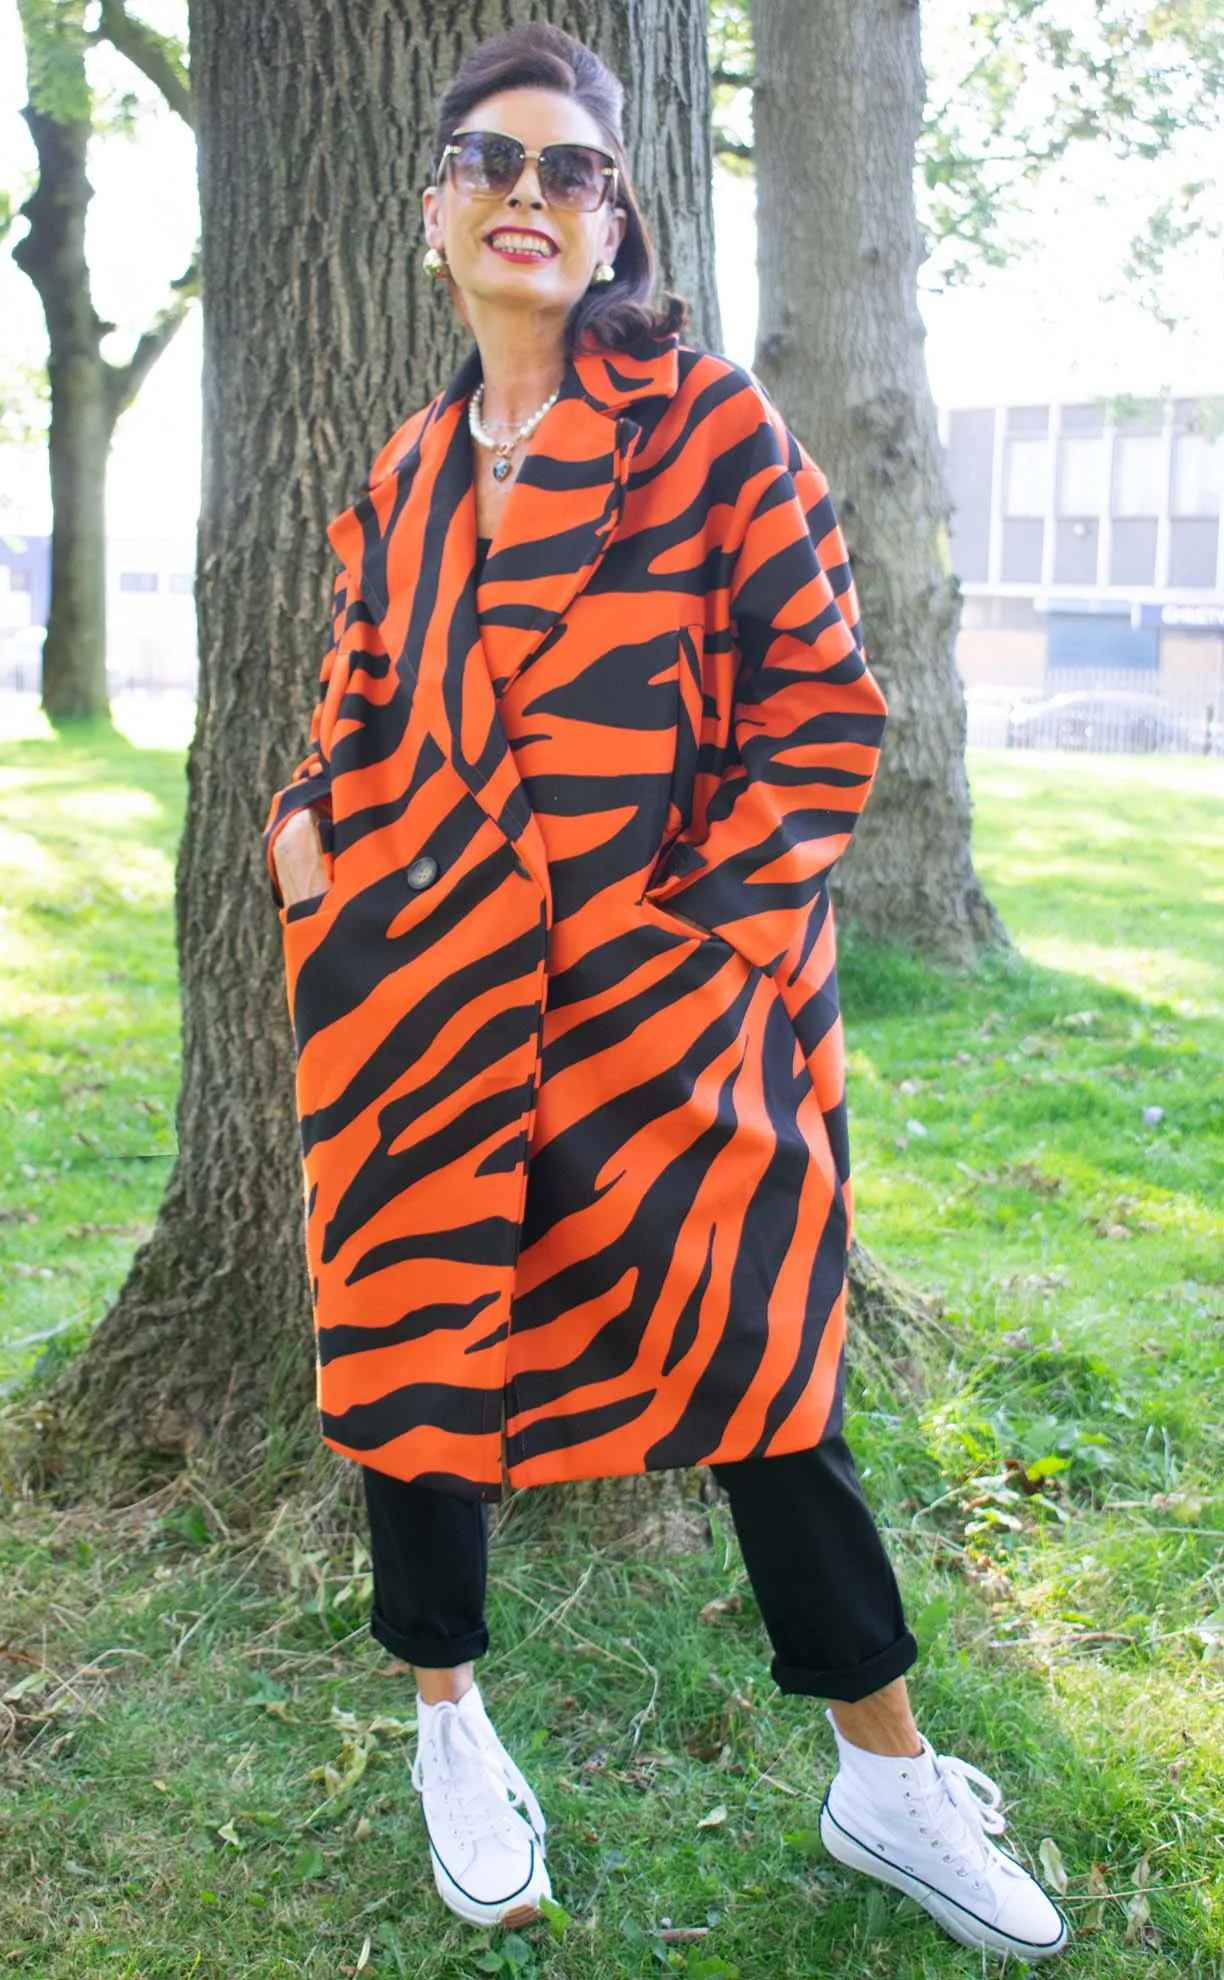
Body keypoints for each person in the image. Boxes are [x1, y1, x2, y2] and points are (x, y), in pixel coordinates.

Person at [262, 22, 1067, 1965]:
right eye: (489, 161)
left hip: (671, 1017)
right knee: (417, 1362)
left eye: (570, 169)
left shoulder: (706, 431)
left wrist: (701, 945)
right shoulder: (401, 477)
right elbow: (352, 718)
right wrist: (314, 863)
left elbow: (820, 707)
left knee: (768, 1380)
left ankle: (884, 1773)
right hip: (424, 1005)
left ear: (615, 217)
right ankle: (450, 1727)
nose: (527, 193)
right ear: (431, 209)